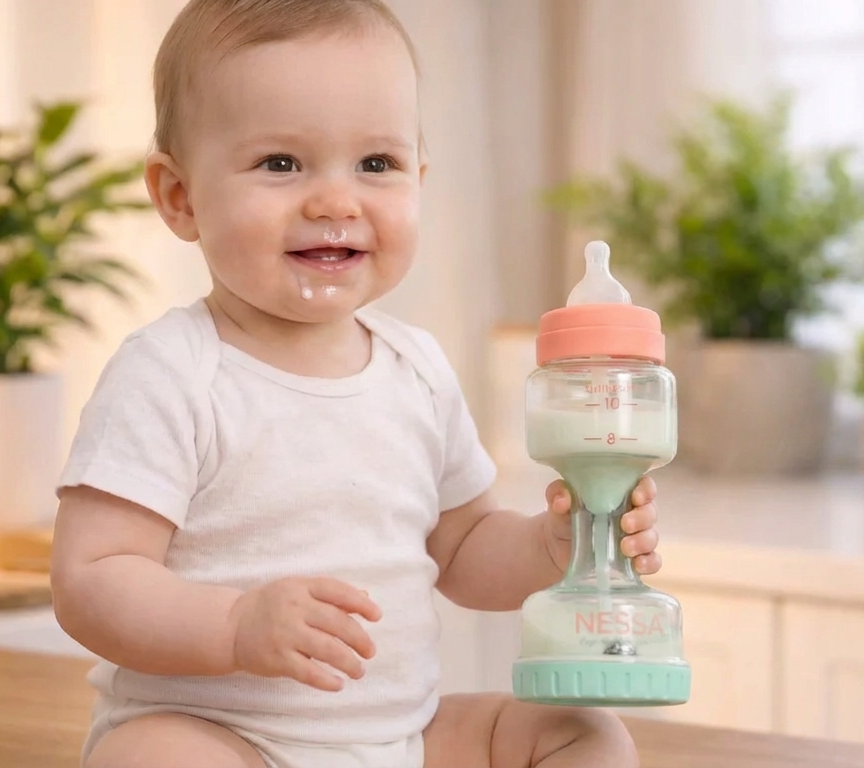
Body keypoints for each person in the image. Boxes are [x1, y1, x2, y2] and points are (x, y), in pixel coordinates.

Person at [50, 1, 664, 766]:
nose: (336, 202)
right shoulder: (172, 372)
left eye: (376, 165)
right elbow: (92, 578)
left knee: (582, 732)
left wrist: (554, 545)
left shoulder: (416, 371)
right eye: (281, 163)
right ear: (181, 197)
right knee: (149, 759)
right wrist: (236, 625)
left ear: (419, 179)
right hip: (222, 737)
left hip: (399, 742)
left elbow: (466, 546)